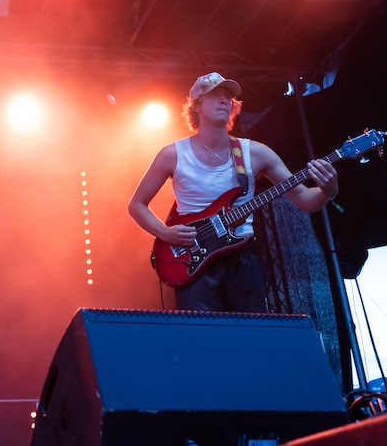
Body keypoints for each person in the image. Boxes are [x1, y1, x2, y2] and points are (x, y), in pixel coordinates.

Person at [127, 73, 340, 312]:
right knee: (202, 332)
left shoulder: (256, 153)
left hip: (243, 258)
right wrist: (166, 233)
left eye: (227, 96)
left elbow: (304, 199)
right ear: (196, 105)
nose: (224, 100)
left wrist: (327, 191)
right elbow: (137, 205)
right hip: (193, 258)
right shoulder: (172, 154)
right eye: (214, 95)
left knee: (250, 330)